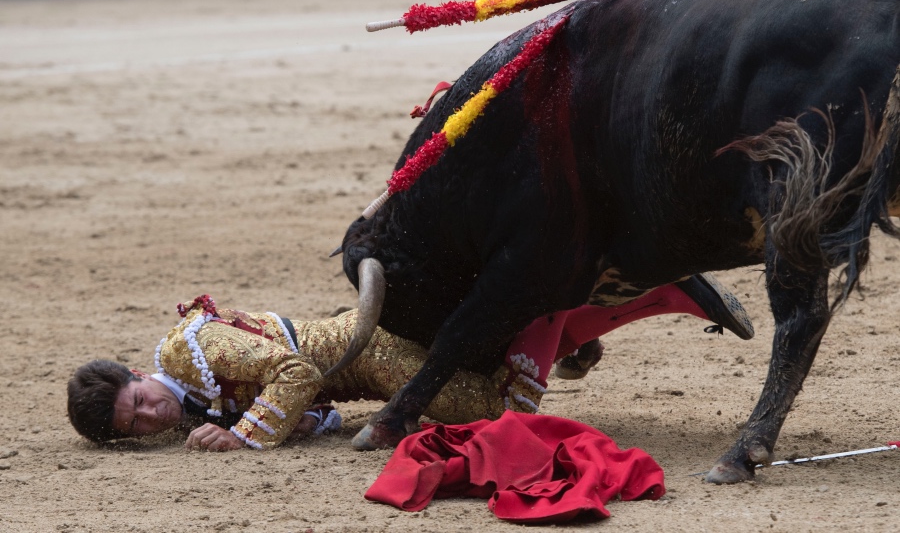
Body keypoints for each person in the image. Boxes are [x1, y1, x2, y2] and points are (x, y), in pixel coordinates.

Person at [67, 273, 752, 451]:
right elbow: (313, 403)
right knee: (491, 380)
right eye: (136, 427)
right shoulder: (190, 398)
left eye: (138, 402)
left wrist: (248, 435)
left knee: (500, 410)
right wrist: (306, 425)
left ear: (137, 375)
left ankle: (567, 307)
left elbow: (297, 373)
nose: (150, 416)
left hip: (374, 353)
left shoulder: (187, 351)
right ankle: (654, 296)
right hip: (364, 368)